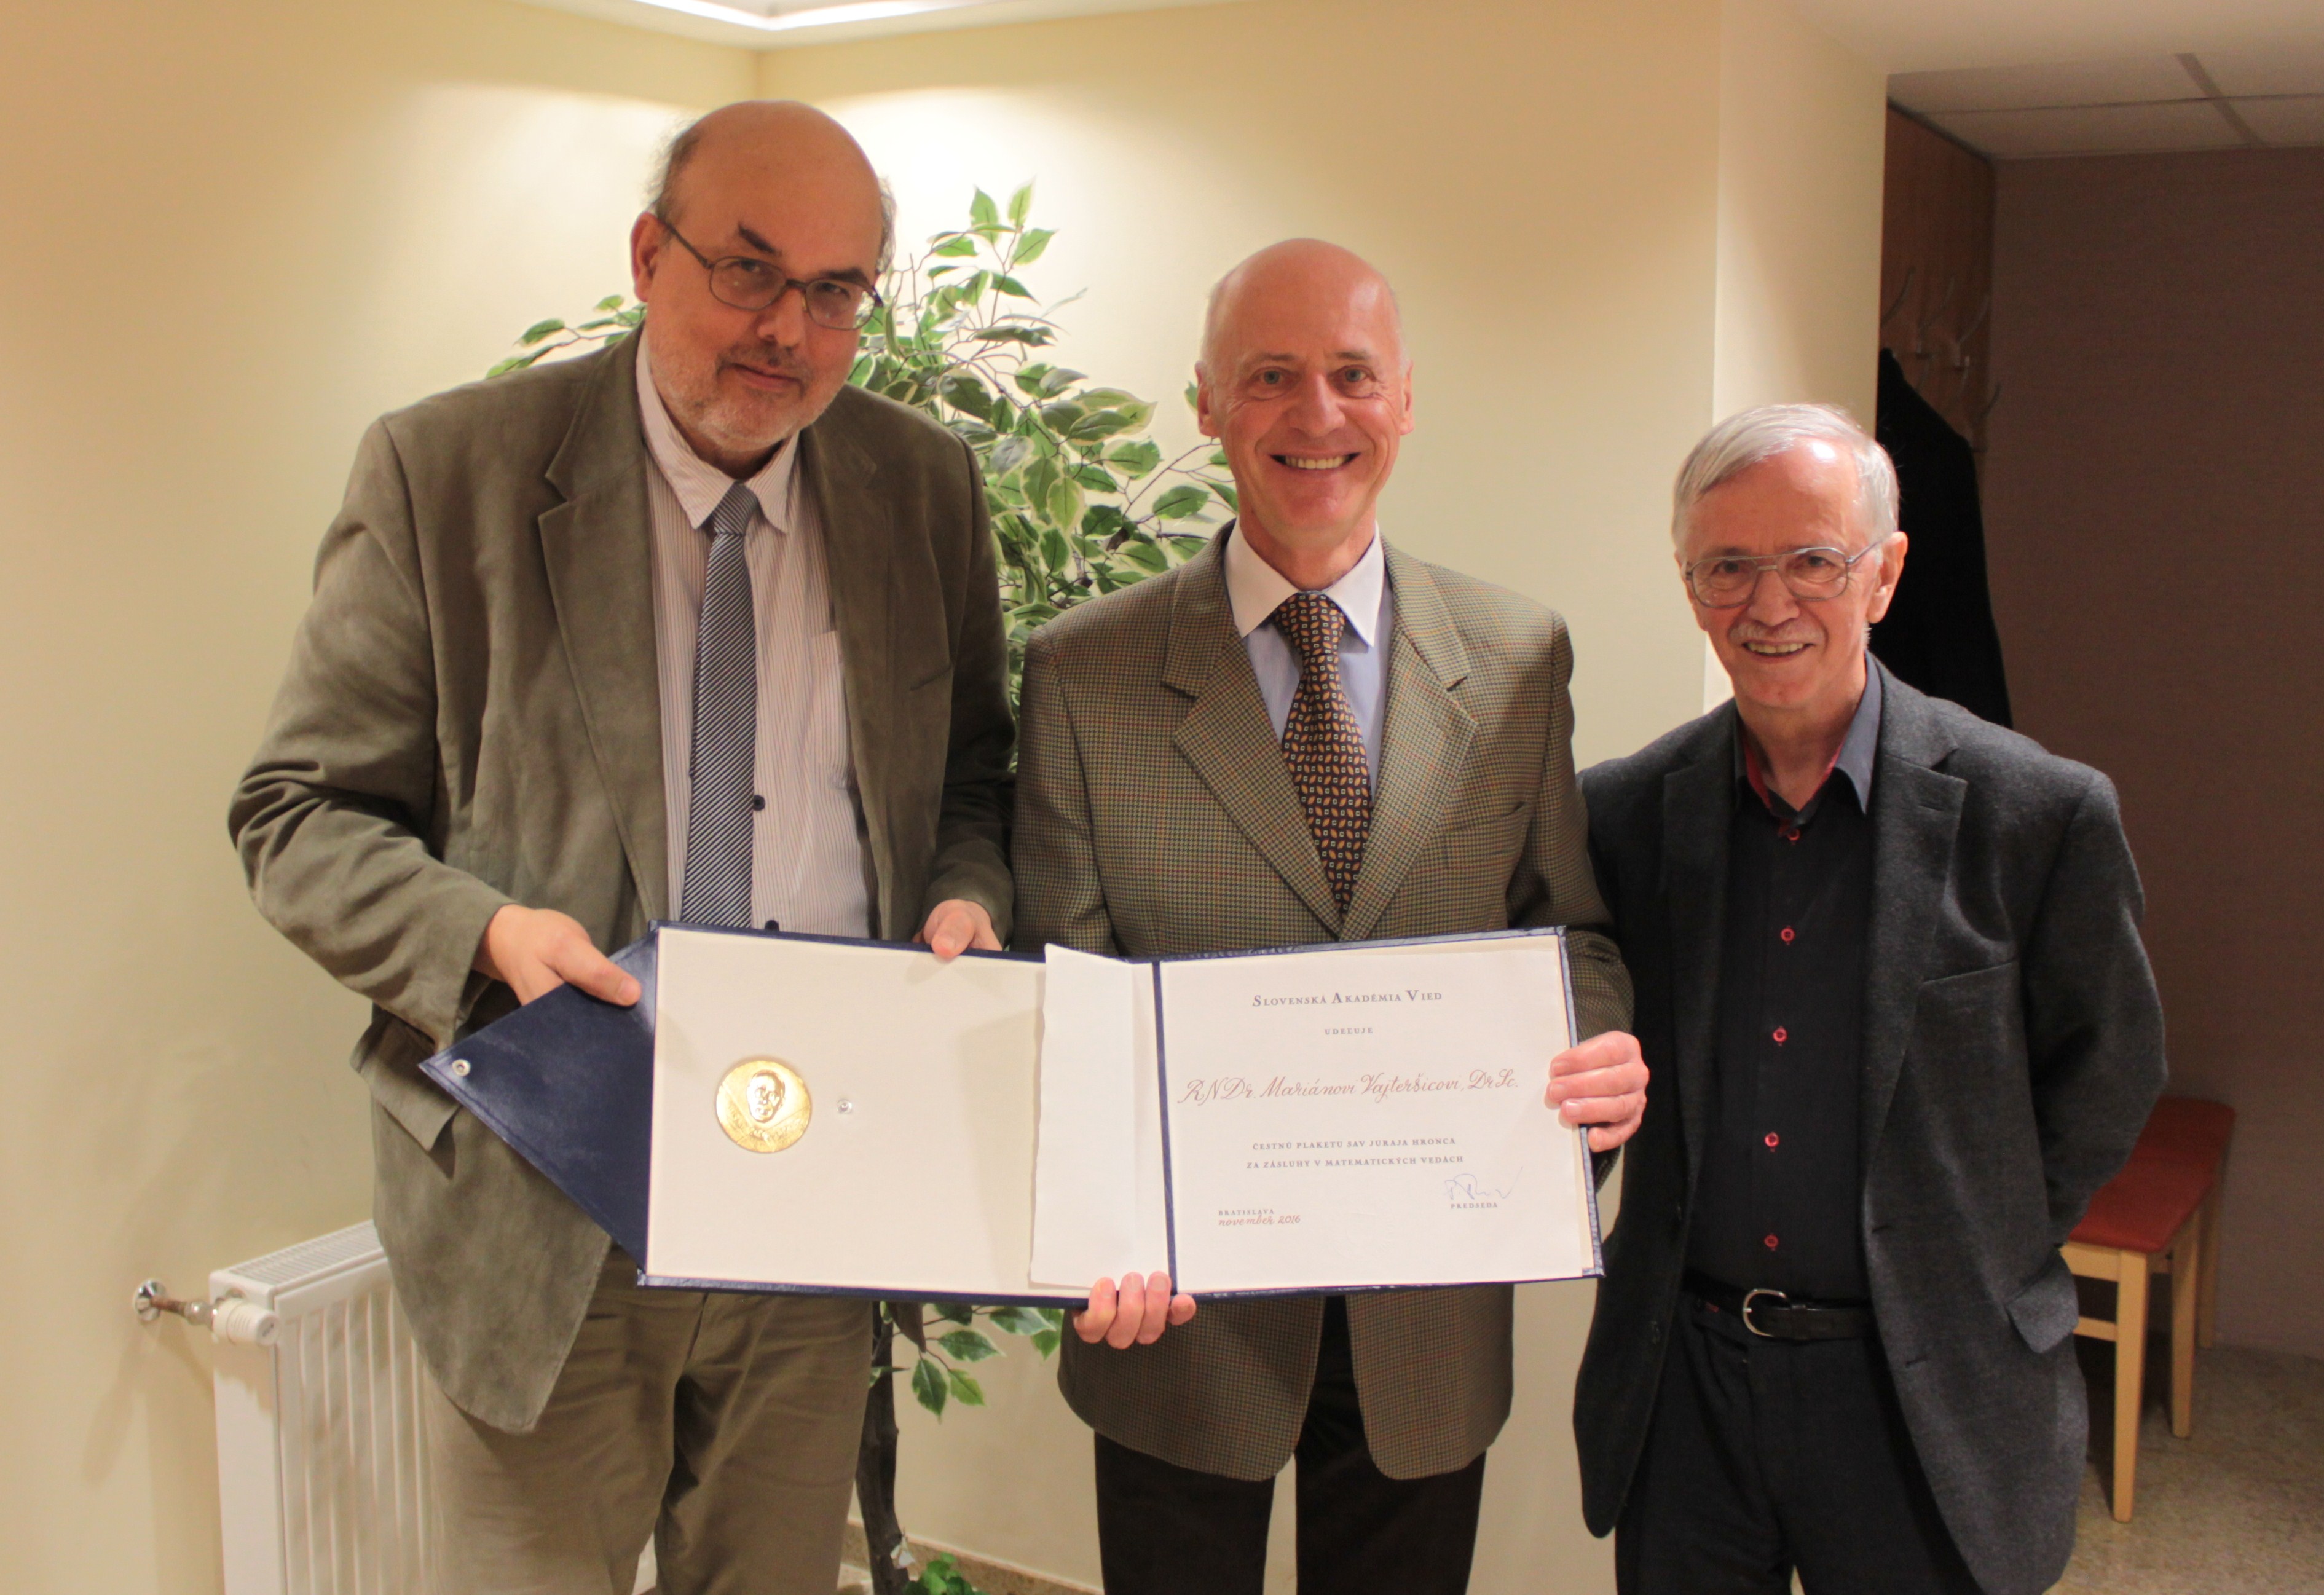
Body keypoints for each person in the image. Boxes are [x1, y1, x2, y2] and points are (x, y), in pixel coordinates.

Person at [229, 101, 1013, 1595]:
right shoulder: (447, 472)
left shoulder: (922, 486)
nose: (788, 329)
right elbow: (297, 812)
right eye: (747, 269)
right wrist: (482, 934)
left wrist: (968, 889)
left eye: (835, 290)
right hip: (549, 1196)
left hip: (814, 1192)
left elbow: (970, 770)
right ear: (650, 255)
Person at [1012, 238, 1648, 1595]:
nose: (1317, 414)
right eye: (1270, 376)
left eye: (1353, 374)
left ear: (1405, 399)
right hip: (1178, 1318)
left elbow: (1568, 933)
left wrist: (1591, 1052)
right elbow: (1066, 990)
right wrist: (1096, 1220)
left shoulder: (1517, 657)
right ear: (1204, 401)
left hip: (1431, 1306)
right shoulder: (1082, 673)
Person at [1573, 404, 2165, 1595]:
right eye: (1727, 567)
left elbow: (2107, 1073)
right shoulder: (1622, 815)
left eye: (1813, 560)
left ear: (1884, 574)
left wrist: (1974, 1239)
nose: (1769, 604)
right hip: (1688, 1393)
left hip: (1924, 1393)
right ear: (1689, 587)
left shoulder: (2035, 814)